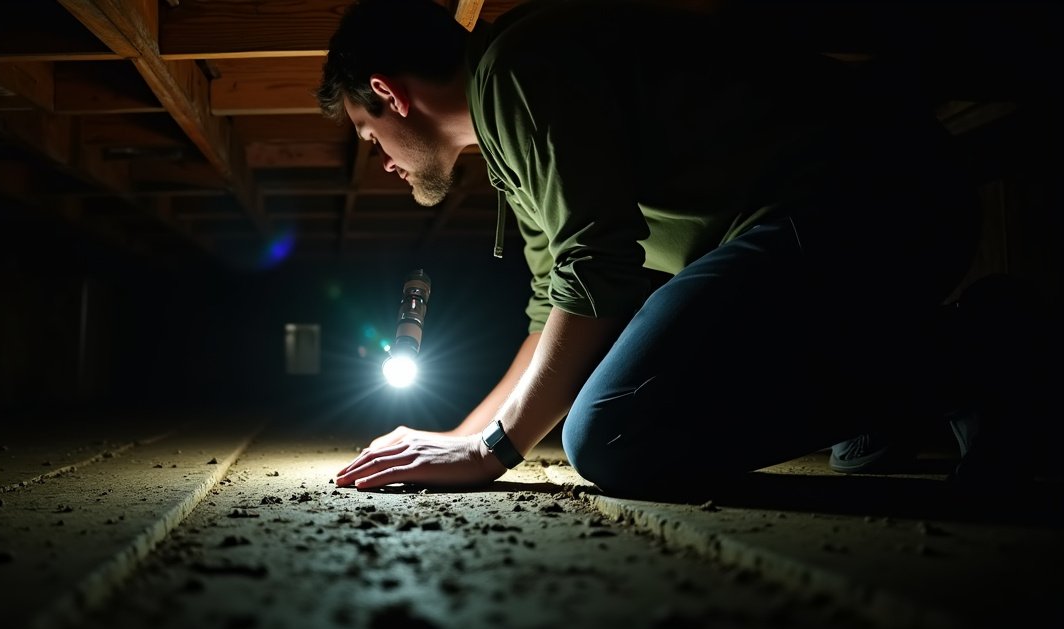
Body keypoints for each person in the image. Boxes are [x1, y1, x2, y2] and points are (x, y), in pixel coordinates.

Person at [320, 0, 994, 496]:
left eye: (369, 136)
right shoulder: (506, 148)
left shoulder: (520, 68)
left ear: (389, 94)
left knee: (612, 436)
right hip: (820, 233)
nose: (381, 161)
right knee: (631, 414)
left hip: (876, 199)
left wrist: (495, 450)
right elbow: (550, 308)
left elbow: (596, 272)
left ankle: (970, 353)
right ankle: (894, 374)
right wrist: (462, 437)